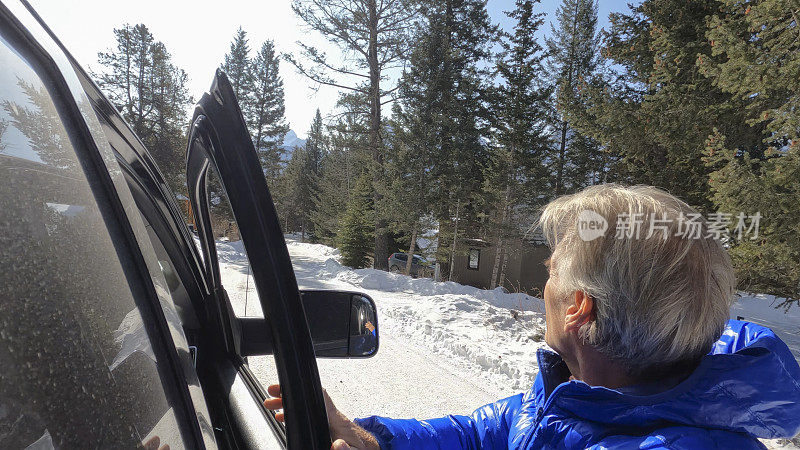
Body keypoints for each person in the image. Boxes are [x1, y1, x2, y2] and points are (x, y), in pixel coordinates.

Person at [265, 184, 800, 449]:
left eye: (551, 272)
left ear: (578, 309)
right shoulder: (575, 393)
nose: (542, 283)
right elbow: (478, 434)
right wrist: (368, 437)